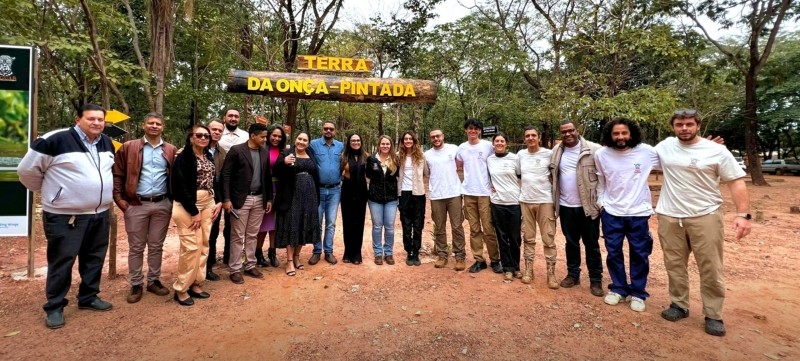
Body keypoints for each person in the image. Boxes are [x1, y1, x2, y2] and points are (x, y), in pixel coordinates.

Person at [18, 103, 115, 329]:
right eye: (91, 119)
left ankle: (88, 297)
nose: (97, 123)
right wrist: (54, 193)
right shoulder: (54, 140)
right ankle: (54, 306)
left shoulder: (106, 141)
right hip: (65, 216)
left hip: (99, 213)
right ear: (77, 119)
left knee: (94, 258)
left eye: (101, 120)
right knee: (62, 260)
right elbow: (26, 171)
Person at [655, 109, 751, 337]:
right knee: (674, 264)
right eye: (679, 124)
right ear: (673, 126)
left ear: (698, 125)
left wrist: (743, 215)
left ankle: (713, 314)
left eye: (689, 124)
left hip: (705, 215)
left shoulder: (717, 151)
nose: (684, 128)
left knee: (710, 266)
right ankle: (679, 304)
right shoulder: (664, 146)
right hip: (669, 216)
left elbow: (736, 181)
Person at [594, 118, 658, 312]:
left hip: (638, 212)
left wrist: (706, 151)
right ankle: (618, 288)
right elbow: (601, 181)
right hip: (612, 212)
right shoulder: (601, 154)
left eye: (624, 133)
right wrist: (602, 202)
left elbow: (673, 163)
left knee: (639, 253)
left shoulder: (647, 152)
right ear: (610, 135)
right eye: (616, 133)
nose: (620, 137)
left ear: (632, 134)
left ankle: (638, 292)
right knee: (613, 252)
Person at [112, 112, 177, 304]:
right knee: (136, 247)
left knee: (156, 245)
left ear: (163, 127)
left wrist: (172, 201)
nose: (154, 126)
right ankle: (136, 284)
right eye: (151, 123)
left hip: (162, 203)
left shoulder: (171, 150)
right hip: (135, 204)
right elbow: (118, 174)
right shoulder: (129, 147)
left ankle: (153, 281)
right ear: (143, 125)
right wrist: (120, 201)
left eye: (158, 123)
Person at [550, 120, 604, 297]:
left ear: (577, 130)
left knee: (592, 244)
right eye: (564, 132)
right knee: (571, 243)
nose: (567, 134)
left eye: (570, 130)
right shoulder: (556, 152)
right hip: (566, 206)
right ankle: (573, 275)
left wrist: (600, 202)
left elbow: (603, 176)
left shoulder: (594, 150)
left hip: (587, 207)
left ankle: (596, 280)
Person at [171, 124, 223, 306]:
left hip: (208, 203)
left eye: (206, 136)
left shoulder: (208, 156)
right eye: (199, 135)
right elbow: (179, 186)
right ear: (191, 137)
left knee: (204, 245)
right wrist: (193, 212)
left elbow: (212, 181)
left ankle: (196, 283)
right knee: (190, 248)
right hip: (187, 206)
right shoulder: (183, 158)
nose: (203, 138)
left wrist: (217, 201)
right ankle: (181, 288)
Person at [221, 123, 273, 284]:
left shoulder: (264, 153)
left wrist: (269, 198)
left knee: (252, 234)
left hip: (259, 199)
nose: (265, 139)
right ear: (253, 136)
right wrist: (226, 199)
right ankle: (235, 269)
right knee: (237, 235)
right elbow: (226, 175)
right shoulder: (237, 151)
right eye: (263, 137)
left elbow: (267, 178)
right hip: (239, 199)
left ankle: (250, 265)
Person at [456, 118, 502, 274]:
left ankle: (495, 260)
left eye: (476, 129)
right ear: (466, 130)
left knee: (488, 228)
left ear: (480, 131)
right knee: (474, 229)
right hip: (468, 192)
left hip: (485, 193)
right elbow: (459, 166)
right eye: (470, 128)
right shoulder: (462, 148)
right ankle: (479, 260)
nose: (473, 131)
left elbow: (497, 163)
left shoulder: (488, 146)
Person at [517, 126, 559, 288]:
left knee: (548, 237)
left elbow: (556, 174)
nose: (531, 138)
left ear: (539, 138)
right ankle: (528, 270)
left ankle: (551, 273)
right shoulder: (520, 155)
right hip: (526, 200)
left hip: (545, 201)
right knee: (528, 237)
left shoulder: (549, 154)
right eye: (527, 136)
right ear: (524, 138)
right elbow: (518, 174)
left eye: (534, 135)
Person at [274, 132, 321, 276]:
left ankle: (296, 257)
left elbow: (315, 173)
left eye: (305, 140)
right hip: (292, 195)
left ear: (308, 143)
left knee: (304, 224)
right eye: (299, 139)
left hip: (310, 195)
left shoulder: (310, 153)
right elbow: (275, 170)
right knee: (291, 224)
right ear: (295, 140)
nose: (301, 142)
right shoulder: (286, 153)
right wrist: (284, 162)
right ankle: (288, 261)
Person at [424, 129, 466, 271]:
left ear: (443, 136)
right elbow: (427, 173)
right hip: (436, 195)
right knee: (439, 227)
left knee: (457, 226)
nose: (436, 138)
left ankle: (460, 255)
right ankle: (442, 254)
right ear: (430, 139)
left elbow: (462, 165)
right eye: (433, 137)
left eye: (438, 136)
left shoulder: (454, 149)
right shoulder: (427, 155)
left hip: (454, 193)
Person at [486, 133, 522, 281]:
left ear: (506, 143)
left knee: (515, 237)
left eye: (502, 141)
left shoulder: (515, 158)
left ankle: (516, 266)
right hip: (497, 203)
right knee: (502, 236)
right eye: (497, 141)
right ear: (493, 144)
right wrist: (491, 188)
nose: (499, 143)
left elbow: (521, 177)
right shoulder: (489, 160)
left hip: (514, 202)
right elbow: (487, 177)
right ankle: (507, 267)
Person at [309, 121, 344, 265]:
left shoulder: (340, 146)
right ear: (322, 130)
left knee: (331, 222)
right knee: (317, 221)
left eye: (331, 129)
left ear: (335, 131)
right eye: (326, 128)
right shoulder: (313, 144)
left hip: (335, 190)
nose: (328, 130)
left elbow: (344, 163)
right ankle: (317, 251)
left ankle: (328, 251)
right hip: (318, 189)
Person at [366, 135, 400, 265]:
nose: (385, 146)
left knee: (390, 227)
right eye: (383, 144)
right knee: (377, 226)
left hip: (391, 198)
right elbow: (368, 175)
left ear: (391, 145)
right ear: (379, 145)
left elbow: (398, 175)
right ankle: (378, 253)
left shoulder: (395, 159)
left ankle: (389, 253)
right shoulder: (372, 159)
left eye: (388, 144)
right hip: (375, 198)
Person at [256, 124, 286, 268]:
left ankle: (272, 253)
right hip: (265, 190)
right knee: (262, 225)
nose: (276, 138)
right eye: (274, 135)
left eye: (279, 136)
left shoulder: (284, 150)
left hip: (280, 190)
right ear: (268, 135)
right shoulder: (262, 149)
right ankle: (258, 253)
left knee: (275, 225)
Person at [397, 131, 426, 266]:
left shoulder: (421, 156)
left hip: (418, 193)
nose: (408, 141)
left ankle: (416, 251)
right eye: (405, 139)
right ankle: (409, 251)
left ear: (414, 141)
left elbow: (426, 173)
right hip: (404, 193)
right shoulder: (398, 157)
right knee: (406, 223)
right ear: (403, 142)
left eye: (410, 139)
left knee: (418, 223)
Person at [340, 133, 369, 265]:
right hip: (347, 192)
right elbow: (339, 172)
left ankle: (357, 252)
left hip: (362, 193)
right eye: (353, 140)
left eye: (358, 140)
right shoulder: (343, 156)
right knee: (347, 222)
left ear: (361, 142)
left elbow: (369, 175)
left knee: (359, 222)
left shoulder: (366, 156)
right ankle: (348, 251)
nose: (356, 142)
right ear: (349, 142)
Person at [205, 119, 228, 281]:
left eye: (220, 130)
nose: (216, 132)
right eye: (214, 129)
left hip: (215, 200)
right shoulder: (195, 149)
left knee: (212, 234)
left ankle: (208, 267)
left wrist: (221, 200)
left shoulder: (223, 153)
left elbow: (223, 179)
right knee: (197, 236)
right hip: (196, 200)